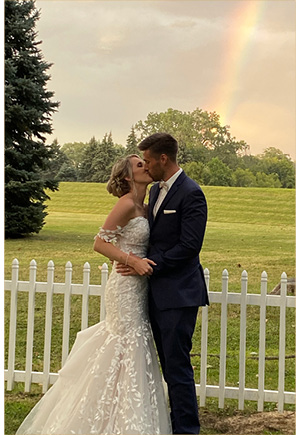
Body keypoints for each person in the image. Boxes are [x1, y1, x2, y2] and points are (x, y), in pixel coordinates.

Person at [16, 154, 172, 435]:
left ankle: (125, 412)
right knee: (124, 343)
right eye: (139, 165)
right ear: (127, 177)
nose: (146, 167)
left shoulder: (145, 207)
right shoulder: (125, 204)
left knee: (135, 345)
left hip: (140, 286)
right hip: (124, 286)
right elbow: (100, 243)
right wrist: (130, 260)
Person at [117, 133, 209, 434]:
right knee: (163, 367)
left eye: (148, 160)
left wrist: (148, 267)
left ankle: (187, 430)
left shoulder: (191, 193)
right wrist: (132, 259)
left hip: (179, 295)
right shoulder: (155, 192)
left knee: (177, 367)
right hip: (154, 295)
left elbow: (189, 247)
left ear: (163, 159)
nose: (146, 166)